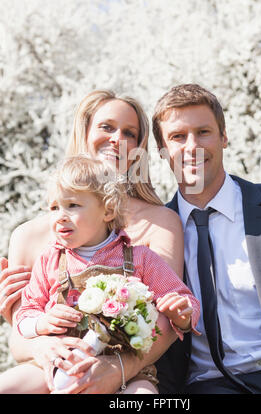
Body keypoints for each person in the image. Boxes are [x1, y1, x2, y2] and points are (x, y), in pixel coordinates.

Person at [0, 90, 185, 394]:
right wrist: (42, 345)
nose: (117, 139)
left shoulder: (160, 222)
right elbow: (20, 336)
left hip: (127, 373)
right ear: (83, 132)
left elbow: (164, 324)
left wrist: (117, 370)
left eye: (130, 133)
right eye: (106, 127)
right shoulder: (28, 236)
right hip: (51, 373)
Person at [152, 83, 261, 394]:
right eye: (178, 136)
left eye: (203, 132)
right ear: (162, 150)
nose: (192, 146)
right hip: (204, 386)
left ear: (224, 137)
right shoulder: (153, 235)